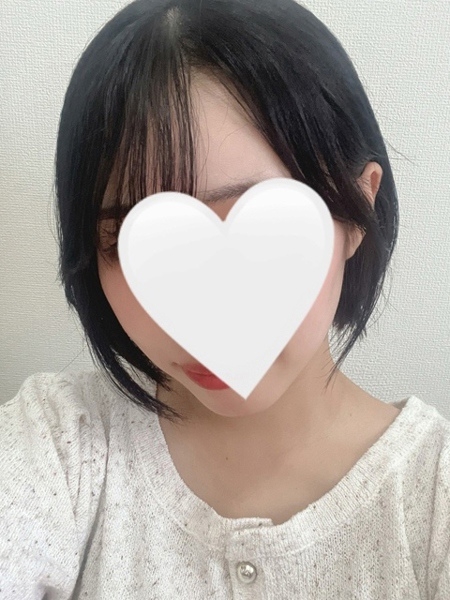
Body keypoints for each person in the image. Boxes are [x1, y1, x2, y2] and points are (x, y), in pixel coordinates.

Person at [1, 0, 449, 597]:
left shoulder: (432, 498)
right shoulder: (58, 446)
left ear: (355, 213)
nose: (203, 315)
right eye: (136, 242)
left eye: (263, 230)